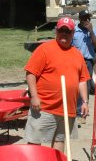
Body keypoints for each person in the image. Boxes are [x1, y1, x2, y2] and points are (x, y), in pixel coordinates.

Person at [24, 16, 90, 152]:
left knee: (60, 140)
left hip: (67, 109)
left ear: (73, 33)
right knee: (35, 140)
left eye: (67, 31)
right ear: (56, 31)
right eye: (61, 30)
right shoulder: (44, 49)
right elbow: (31, 73)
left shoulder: (77, 54)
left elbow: (82, 80)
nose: (64, 33)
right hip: (44, 107)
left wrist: (84, 102)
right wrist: (34, 96)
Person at [72, 9, 96, 123]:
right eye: (84, 18)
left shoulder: (93, 31)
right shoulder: (73, 30)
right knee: (73, 85)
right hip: (74, 61)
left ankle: (82, 113)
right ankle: (72, 111)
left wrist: (91, 32)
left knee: (85, 87)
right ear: (80, 19)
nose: (86, 20)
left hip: (87, 62)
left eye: (88, 18)